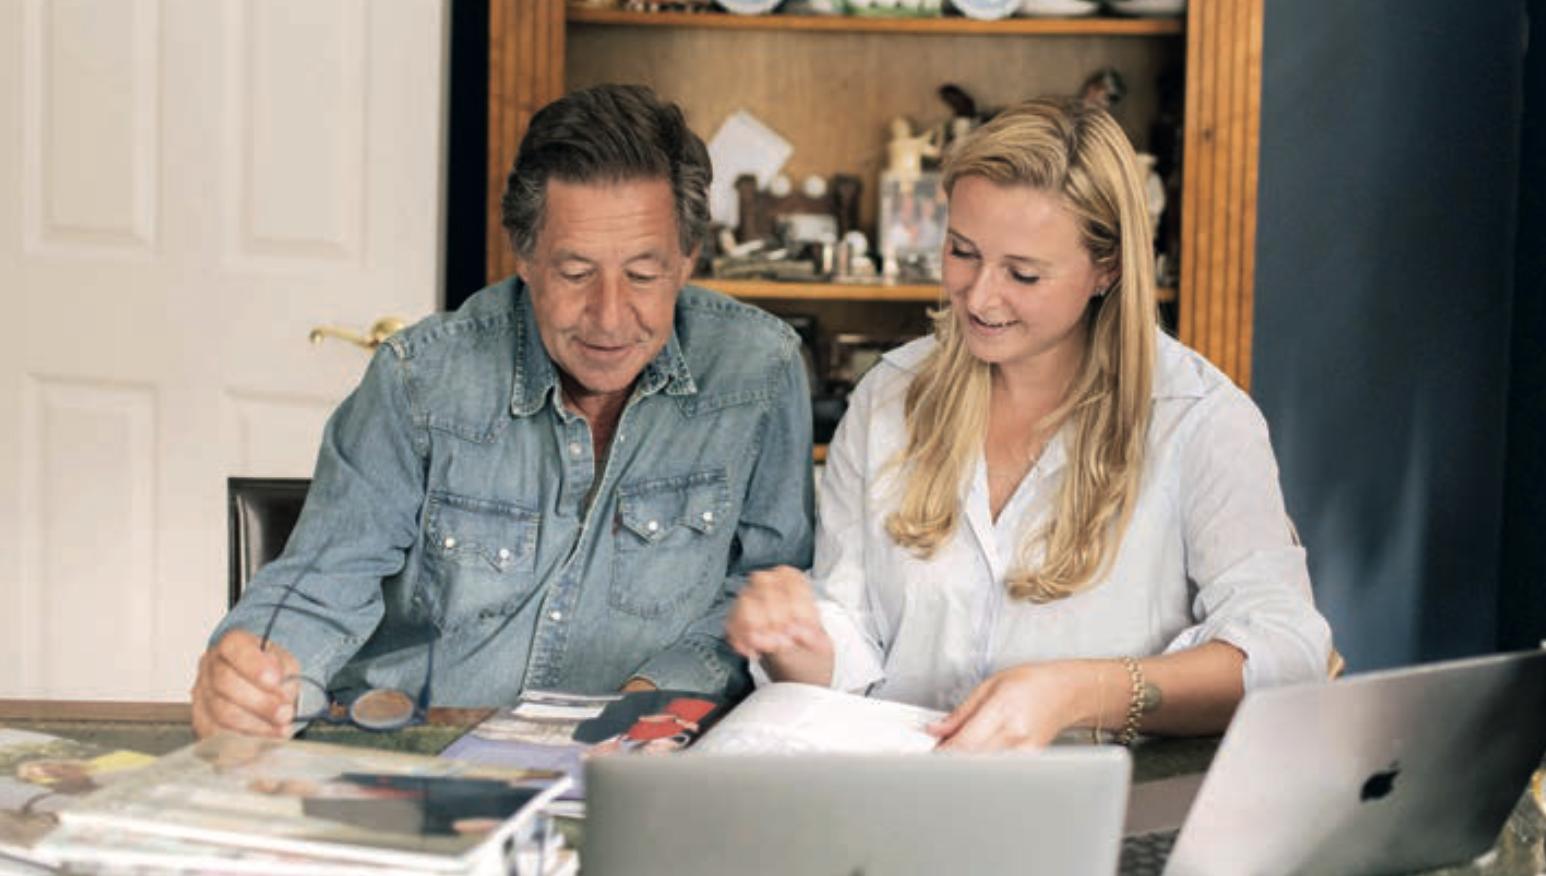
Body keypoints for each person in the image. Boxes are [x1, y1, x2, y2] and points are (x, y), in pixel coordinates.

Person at [192, 83, 815, 739]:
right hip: (415, 753)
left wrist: (645, 703)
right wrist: (254, 672)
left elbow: (766, 591)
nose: (608, 316)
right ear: (525, 256)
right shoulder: (418, 379)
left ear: (687, 260)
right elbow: (322, 582)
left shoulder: (760, 373)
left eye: (641, 274)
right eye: (575, 272)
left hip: (643, 759)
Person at [726, 96, 1332, 750]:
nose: (980, 296)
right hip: (904, 790)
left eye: (1023, 273)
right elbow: (853, 639)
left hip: (1104, 799)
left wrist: (1084, 691)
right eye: (962, 251)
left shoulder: (1198, 420)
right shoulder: (888, 398)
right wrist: (796, 642)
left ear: (1107, 268)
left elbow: (1284, 653)